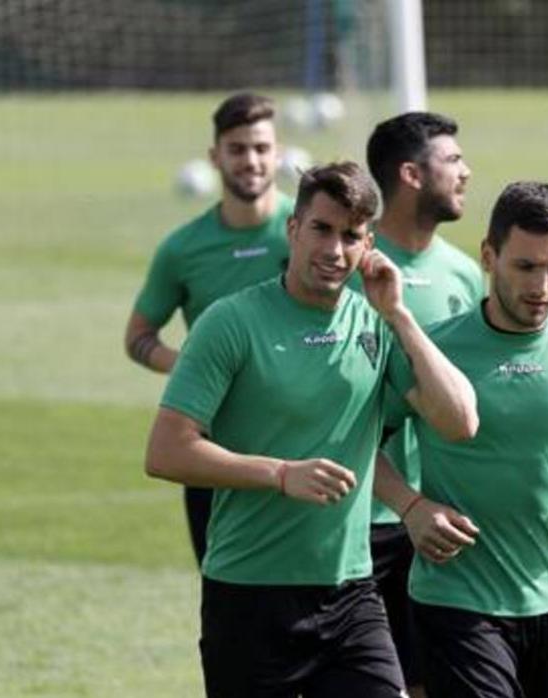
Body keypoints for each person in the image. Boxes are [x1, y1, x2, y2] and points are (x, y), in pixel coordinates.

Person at [144, 161, 478, 697]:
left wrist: (399, 315)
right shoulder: (231, 323)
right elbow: (165, 451)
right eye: (321, 229)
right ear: (293, 229)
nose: (334, 249)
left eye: (351, 236)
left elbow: (459, 420)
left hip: (350, 593)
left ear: (368, 245)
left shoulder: (375, 321)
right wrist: (280, 474)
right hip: (250, 594)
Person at [374, 181, 548, 698]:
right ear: (488, 256)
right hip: (454, 597)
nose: (542, 285)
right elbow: (360, 446)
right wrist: (410, 507)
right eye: (525, 267)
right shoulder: (436, 351)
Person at [125, 91, 294, 564]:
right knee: (228, 600)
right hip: (213, 455)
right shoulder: (183, 248)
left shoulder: (313, 234)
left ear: (278, 154)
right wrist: (195, 367)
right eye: (237, 149)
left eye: (261, 148)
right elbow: (138, 337)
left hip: (303, 442)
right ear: (214, 156)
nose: (251, 161)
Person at [360, 111, 482, 696]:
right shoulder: (352, 270)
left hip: (442, 521)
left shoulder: (464, 274)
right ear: (411, 174)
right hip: (355, 520)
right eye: (453, 161)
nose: (466, 172)